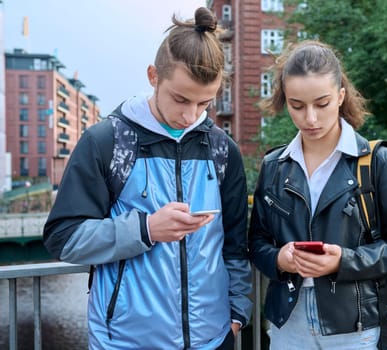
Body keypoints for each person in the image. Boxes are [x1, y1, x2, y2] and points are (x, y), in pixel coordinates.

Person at [43, 7, 252, 350]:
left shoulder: (222, 149)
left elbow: (234, 246)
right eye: (181, 99)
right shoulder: (106, 142)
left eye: (204, 103)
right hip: (126, 342)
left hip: (214, 339)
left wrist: (237, 314)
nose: (190, 115)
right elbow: (63, 238)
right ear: (153, 76)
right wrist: (146, 229)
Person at [248, 40, 387, 350]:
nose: (310, 118)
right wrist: (278, 258)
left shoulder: (376, 161)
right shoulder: (273, 166)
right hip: (287, 323)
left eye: (322, 103)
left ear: (341, 96)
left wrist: (344, 261)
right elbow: (257, 242)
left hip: (354, 328)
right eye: (297, 105)